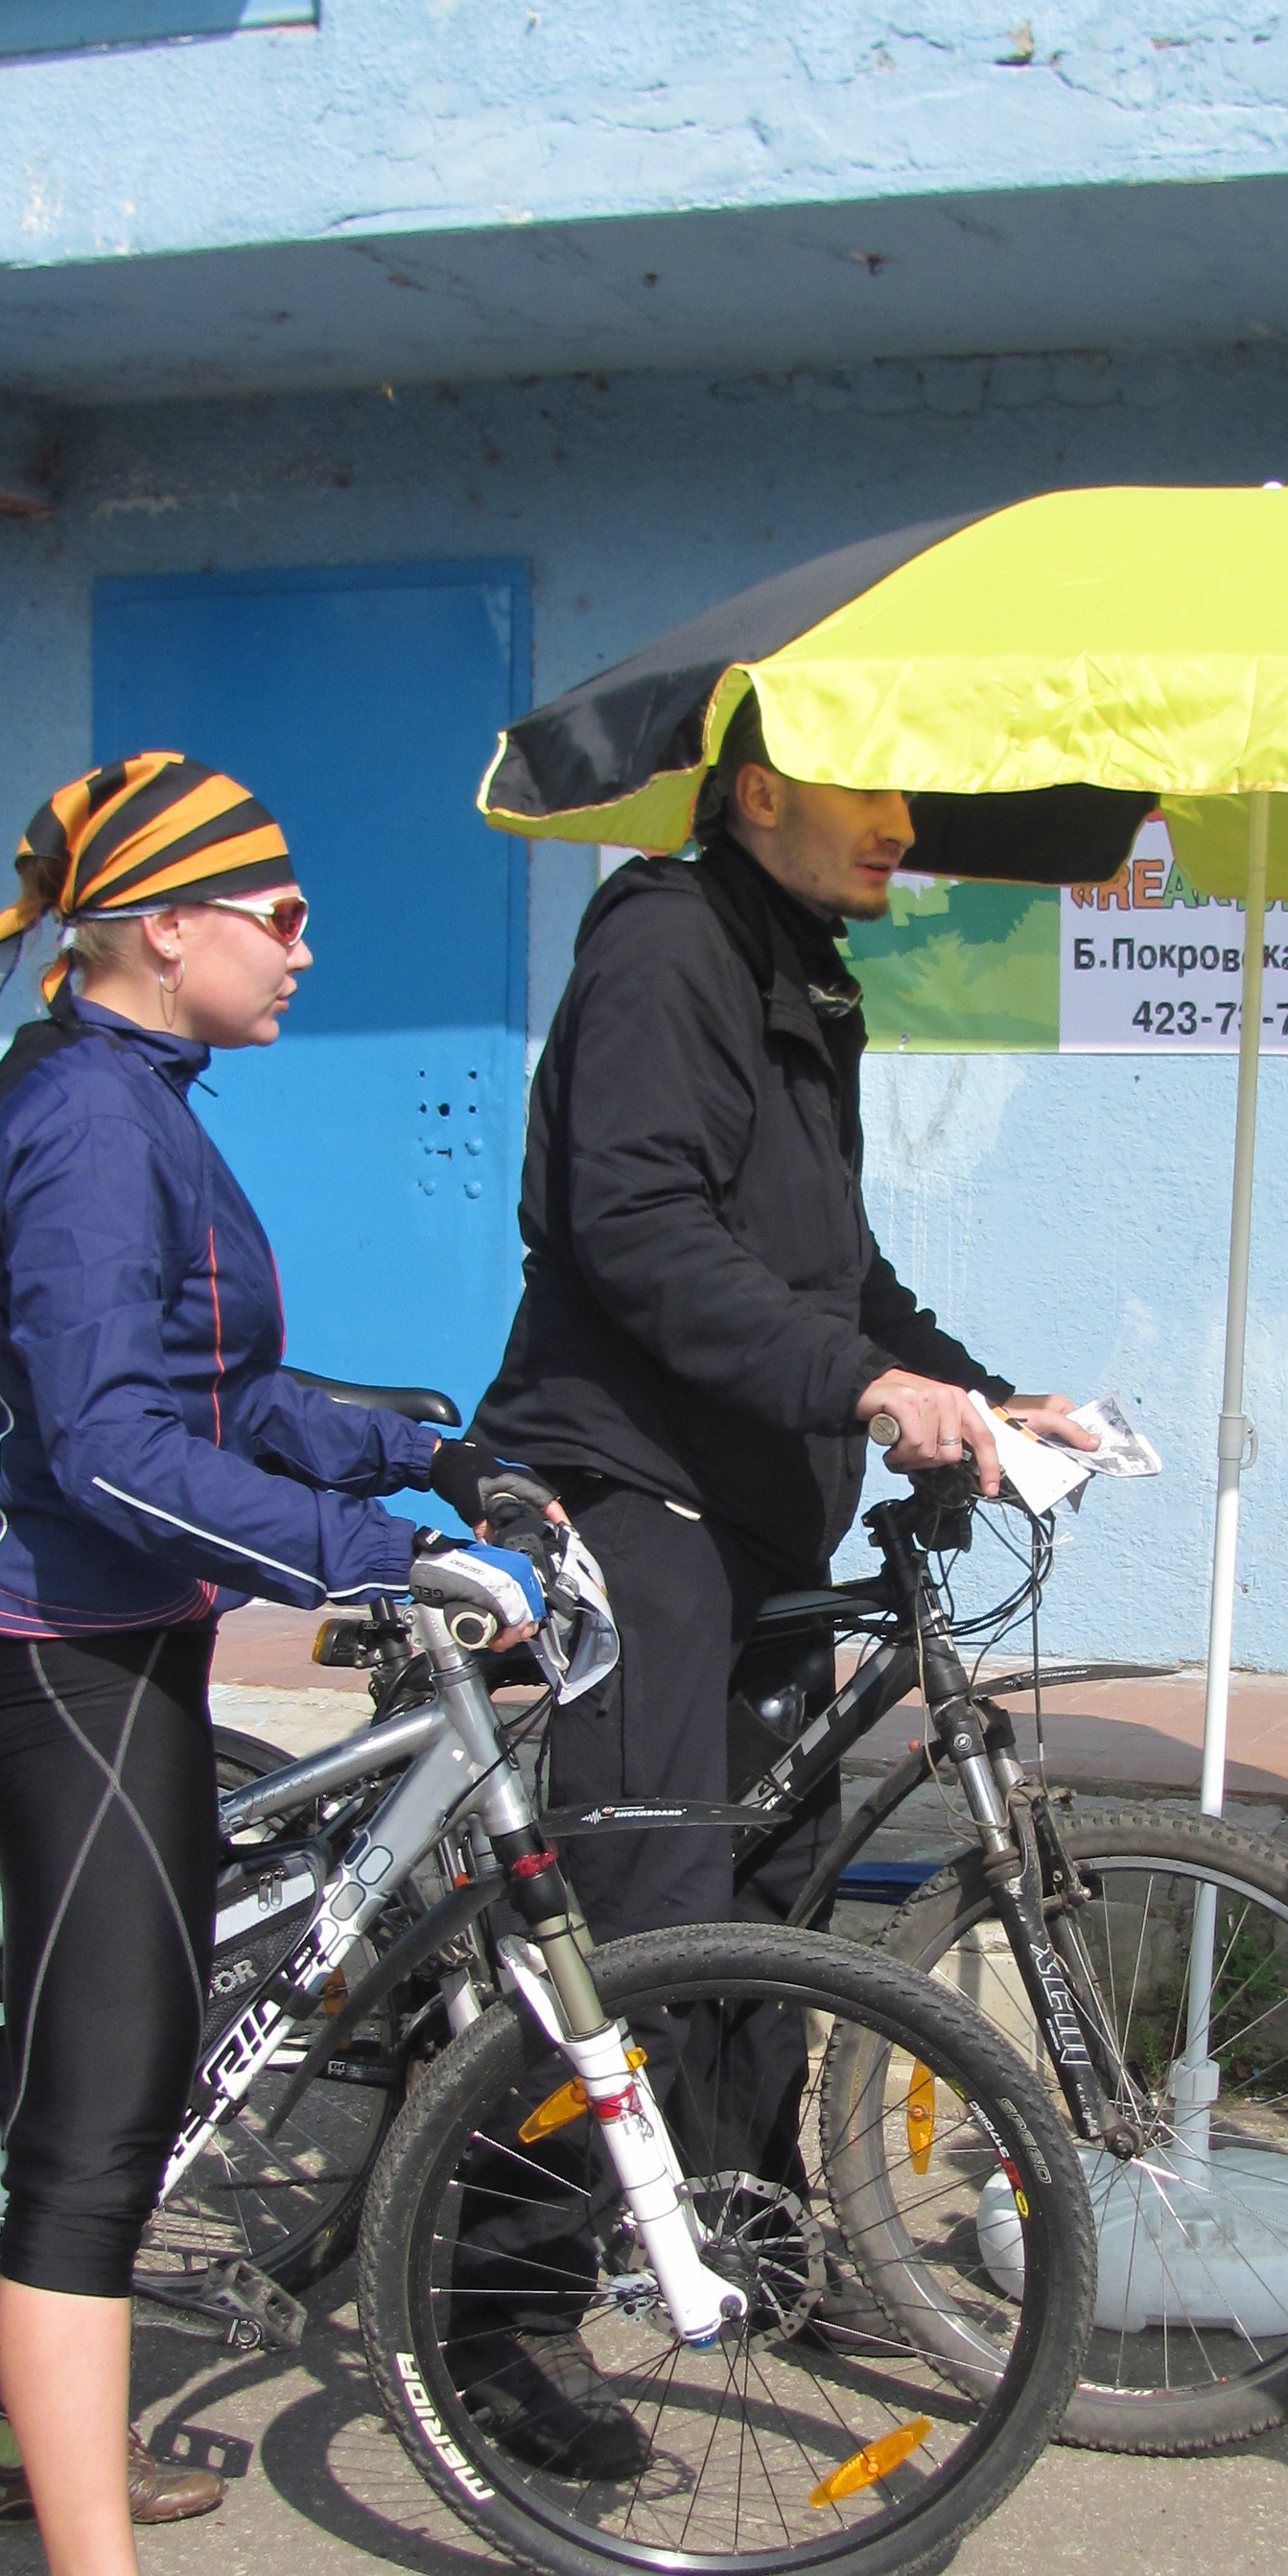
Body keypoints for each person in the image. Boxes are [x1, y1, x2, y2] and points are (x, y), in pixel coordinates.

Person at [0, 753, 545, 2576]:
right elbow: (113, 1446)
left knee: (78, 2073)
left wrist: (421, 1450)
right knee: (100, 2133)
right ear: (164, 927)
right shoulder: (96, 1126)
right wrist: (378, 1560)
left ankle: (23, 2431)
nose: (303, 945)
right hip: (60, 1662)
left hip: (105, 1650)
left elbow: (224, 1391)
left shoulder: (135, 1100)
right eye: (276, 914)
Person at [463, 702, 1091, 2471]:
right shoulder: (669, 944)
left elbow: (836, 1267)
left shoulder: (804, 965)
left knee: (770, 1887)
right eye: (867, 782)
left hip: (753, 1505)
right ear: (759, 792)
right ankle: (497, 2304)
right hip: (632, 1489)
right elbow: (638, 1230)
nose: (903, 816)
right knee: (643, 1909)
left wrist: (980, 1395)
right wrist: (858, 1386)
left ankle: (741, 2227)